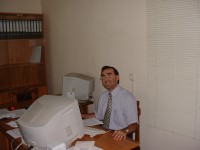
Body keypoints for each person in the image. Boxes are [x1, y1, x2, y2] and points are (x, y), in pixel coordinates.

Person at [82, 66, 138, 141]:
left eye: (109, 75)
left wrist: (125, 131)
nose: (106, 79)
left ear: (117, 78)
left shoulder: (128, 98)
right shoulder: (103, 96)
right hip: (104, 132)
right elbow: (98, 115)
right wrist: (80, 115)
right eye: (103, 76)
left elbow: (134, 125)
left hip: (120, 135)